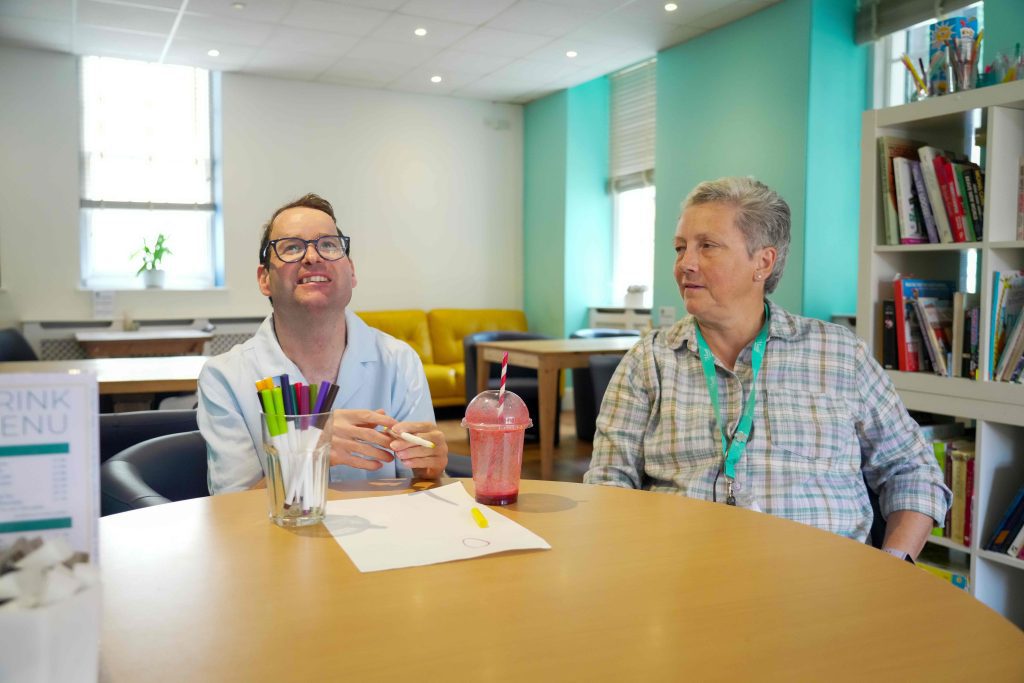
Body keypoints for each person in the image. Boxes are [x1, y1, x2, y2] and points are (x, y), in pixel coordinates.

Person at [584, 176, 950, 562]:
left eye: (707, 246)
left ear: (763, 262)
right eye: (680, 248)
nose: (685, 264)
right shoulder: (650, 361)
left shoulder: (840, 355)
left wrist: (893, 567)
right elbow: (608, 486)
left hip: (826, 589)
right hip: (683, 583)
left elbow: (912, 470)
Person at [198, 193, 448, 493]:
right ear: (264, 279)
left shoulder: (398, 361)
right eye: (291, 247)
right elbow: (231, 511)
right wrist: (308, 450)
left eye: (328, 244)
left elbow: (423, 486)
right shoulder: (225, 377)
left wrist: (432, 466)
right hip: (278, 540)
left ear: (351, 272)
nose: (313, 257)